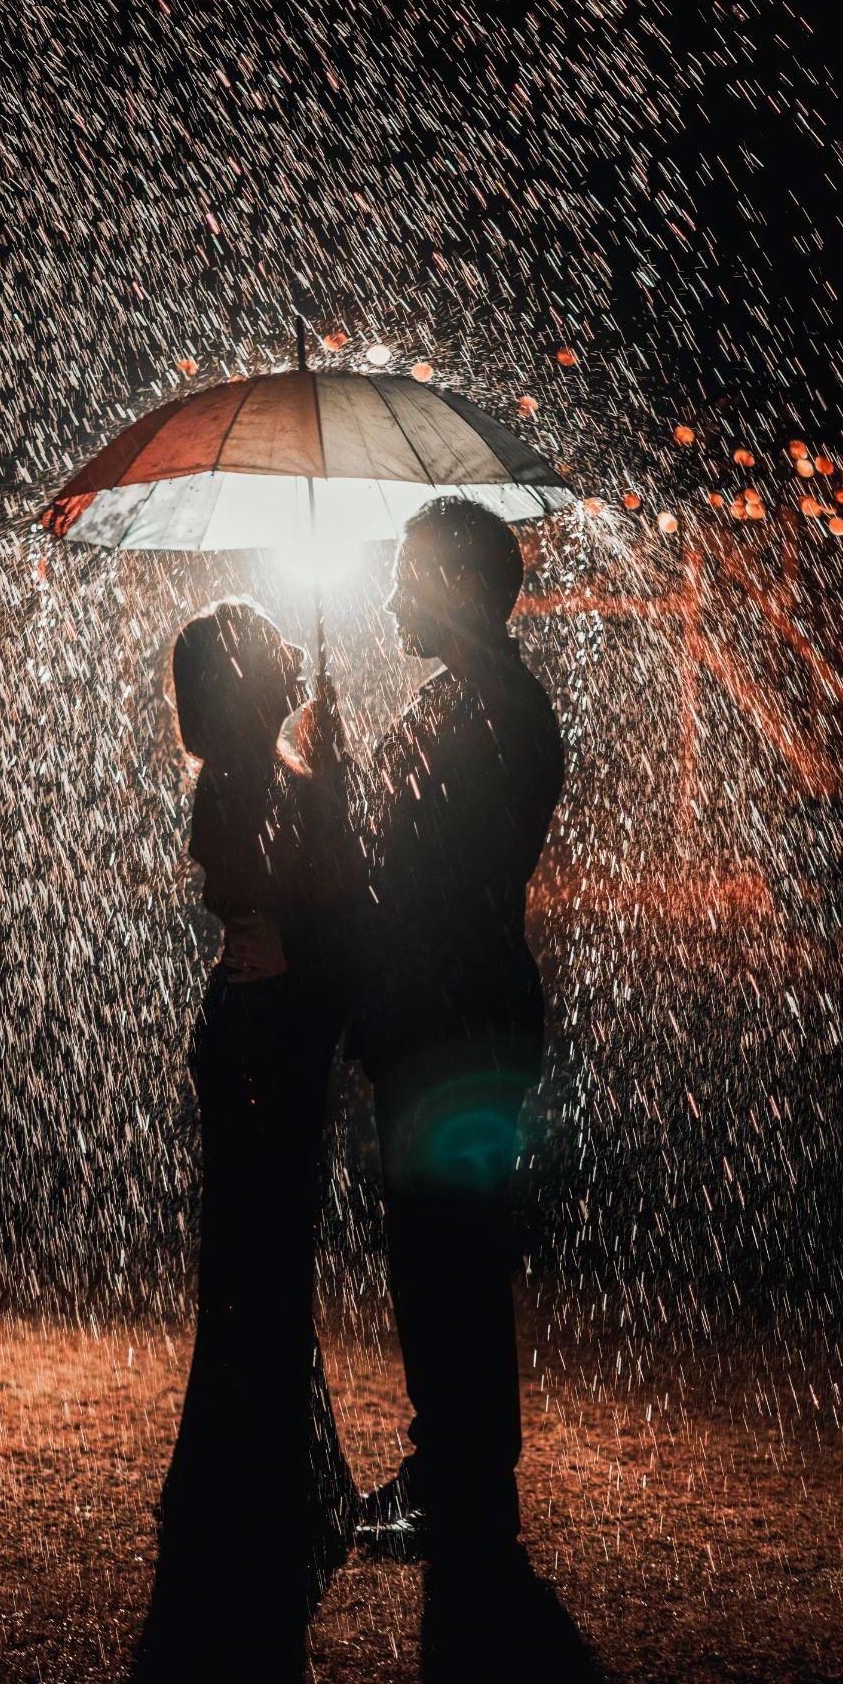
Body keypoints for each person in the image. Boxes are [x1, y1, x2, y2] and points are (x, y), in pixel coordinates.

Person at [105, 600, 359, 1684]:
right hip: (266, 1047)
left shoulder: (253, 772)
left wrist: (329, 770)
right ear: (254, 686)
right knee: (260, 1276)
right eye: (279, 661)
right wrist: (333, 797)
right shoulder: (251, 784)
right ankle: (266, 1497)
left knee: (254, 1277)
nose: (294, 665)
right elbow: (318, 898)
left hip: (255, 1037)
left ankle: (257, 1493)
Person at [352, 498, 564, 1567]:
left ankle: (467, 1484)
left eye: (407, 574)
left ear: (464, 588)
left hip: (456, 1021)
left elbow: (424, 871)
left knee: (451, 1254)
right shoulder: (471, 704)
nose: (391, 596)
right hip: (449, 1016)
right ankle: (455, 1469)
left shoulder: (491, 715)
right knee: (439, 1251)